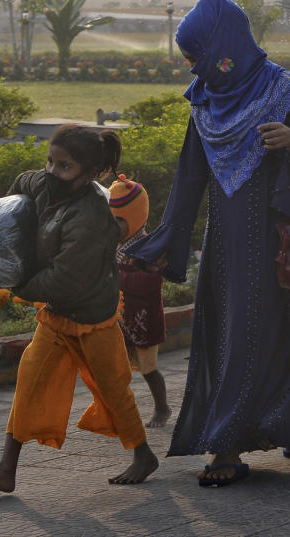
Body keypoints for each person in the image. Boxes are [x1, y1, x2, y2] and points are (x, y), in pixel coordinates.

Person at [125, 0, 290, 487]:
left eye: (198, 54)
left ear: (225, 45)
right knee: (231, 334)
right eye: (189, 58)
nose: (195, 66)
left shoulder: (286, 92)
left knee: (267, 332)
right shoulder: (204, 97)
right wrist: (165, 241)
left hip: (278, 241)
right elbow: (189, 178)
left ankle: (227, 447)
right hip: (226, 247)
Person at [0, 125, 159, 492]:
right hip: (57, 316)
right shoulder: (46, 185)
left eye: (64, 166)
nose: (52, 171)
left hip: (92, 317)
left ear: (91, 174)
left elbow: (64, 279)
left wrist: (16, 284)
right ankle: (6, 469)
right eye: (50, 161)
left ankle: (143, 454)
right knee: (30, 381)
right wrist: (6, 224)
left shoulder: (91, 218)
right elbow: (25, 182)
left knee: (112, 389)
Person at [109, 174, 170, 428]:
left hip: (143, 317)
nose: (116, 226)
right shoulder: (113, 243)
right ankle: (117, 412)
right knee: (114, 368)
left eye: (121, 220)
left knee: (148, 368)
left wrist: (120, 276)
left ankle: (162, 407)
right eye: (112, 220)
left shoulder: (148, 246)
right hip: (118, 316)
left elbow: (153, 281)